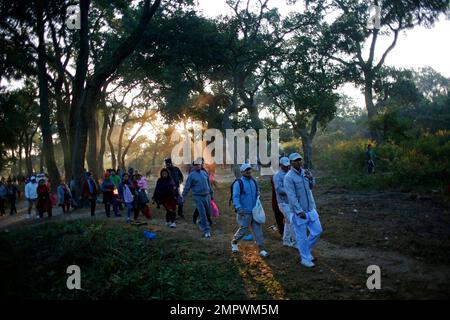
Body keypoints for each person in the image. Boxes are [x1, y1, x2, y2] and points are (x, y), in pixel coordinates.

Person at [284, 153, 322, 268]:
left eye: (299, 159)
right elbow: (291, 196)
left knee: (317, 231)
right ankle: (305, 259)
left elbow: (311, 187)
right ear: (291, 163)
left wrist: (311, 179)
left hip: (310, 208)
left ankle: (305, 250)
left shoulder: (305, 172)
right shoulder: (288, 177)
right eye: (295, 160)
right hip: (299, 212)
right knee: (301, 236)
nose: (298, 162)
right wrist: (299, 211)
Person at [230, 163, 268, 257]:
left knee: (258, 231)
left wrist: (258, 197)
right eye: (246, 170)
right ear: (242, 172)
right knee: (243, 230)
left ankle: (261, 249)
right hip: (244, 212)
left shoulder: (254, 181)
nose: (248, 171)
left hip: (254, 211)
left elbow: (257, 193)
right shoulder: (238, 183)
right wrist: (239, 208)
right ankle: (234, 242)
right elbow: (235, 197)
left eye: (249, 169)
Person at [181, 158, 214, 238]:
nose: (197, 166)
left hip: (207, 196)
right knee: (202, 213)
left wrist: (211, 194)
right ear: (194, 166)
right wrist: (183, 196)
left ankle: (200, 222)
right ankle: (206, 231)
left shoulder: (204, 173)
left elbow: (209, 185)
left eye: (199, 164)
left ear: (201, 165)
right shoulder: (191, 175)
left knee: (208, 213)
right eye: (195, 165)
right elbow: (187, 186)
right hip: (198, 197)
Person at [274, 157, 296, 248]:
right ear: (280, 165)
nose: (287, 167)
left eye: (288, 166)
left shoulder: (291, 173)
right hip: (283, 203)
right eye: (285, 166)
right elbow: (279, 189)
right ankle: (296, 242)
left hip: (290, 202)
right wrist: (290, 191)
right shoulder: (277, 176)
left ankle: (286, 240)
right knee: (292, 221)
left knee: (288, 221)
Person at [270, 169, 285, 236]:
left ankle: (283, 232)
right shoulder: (276, 176)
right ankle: (282, 232)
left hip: (280, 200)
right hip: (277, 200)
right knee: (279, 217)